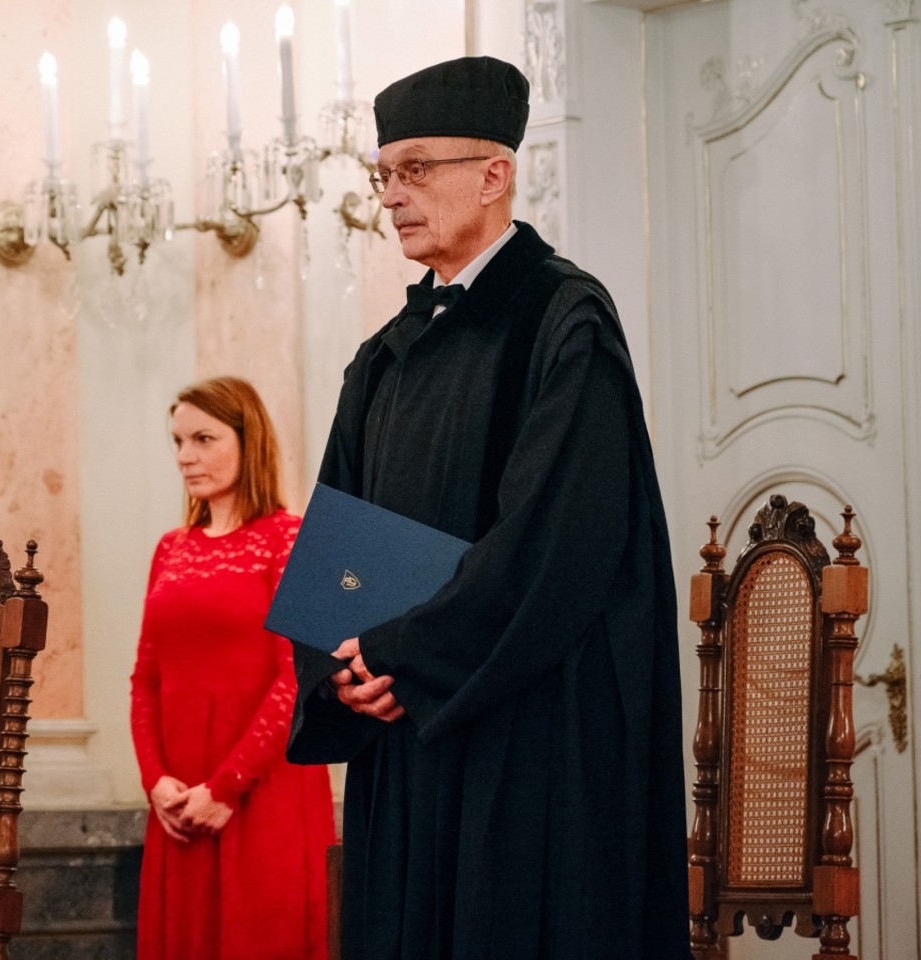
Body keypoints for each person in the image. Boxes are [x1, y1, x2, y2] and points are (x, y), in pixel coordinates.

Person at [286, 57, 690, 959]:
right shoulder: (385, 356)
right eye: (384, 174)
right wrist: (343, 664)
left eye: (415, 168)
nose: (392, 195)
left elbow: (557, 537)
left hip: (527, 731)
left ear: (494, 174)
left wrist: (402, 656)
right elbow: (334, 545)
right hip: (402, 732)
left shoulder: (562, 319)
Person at [130, 375, 335, 960]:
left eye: (203, 439)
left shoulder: (290, 539)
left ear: (250, 441)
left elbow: (296, 676)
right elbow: (146, 676)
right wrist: (155, 782)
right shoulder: (171, 548)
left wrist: (225, 788)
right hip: (179, 802)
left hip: (263, 791)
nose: (185, 456)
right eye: (178, 441)